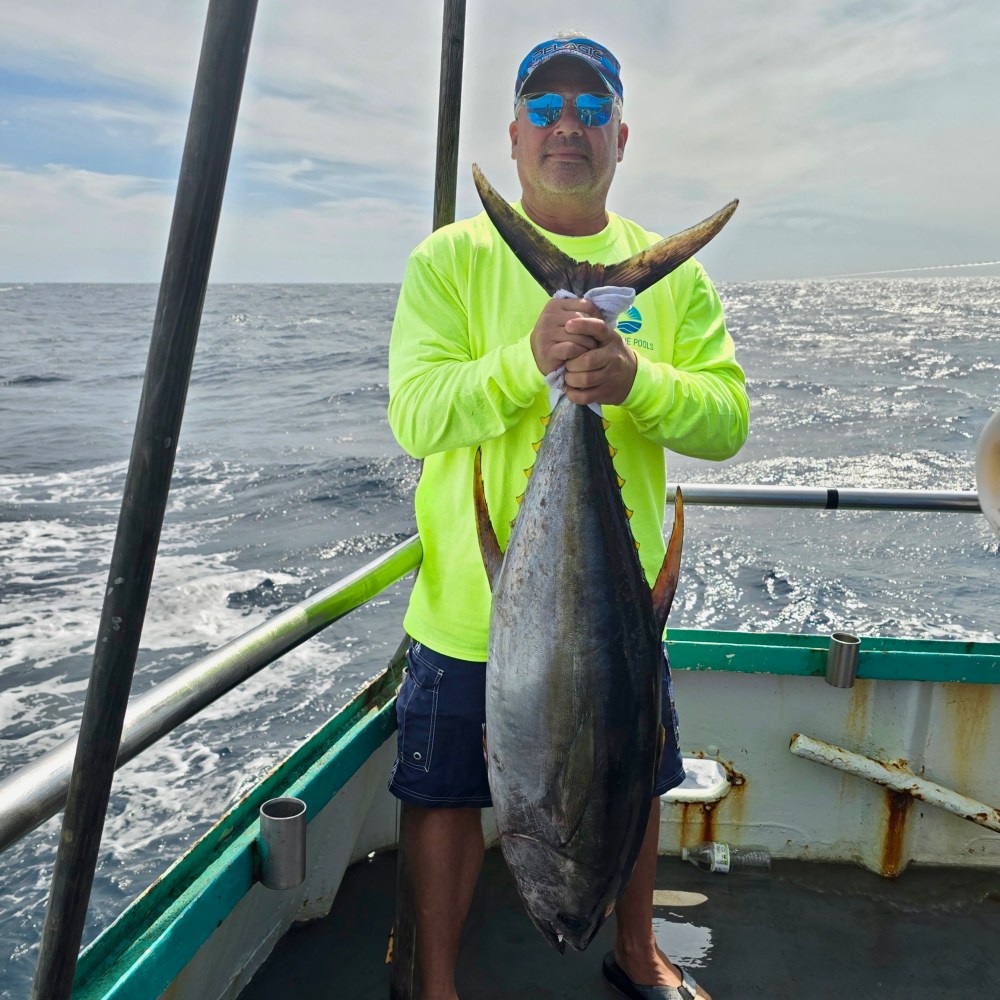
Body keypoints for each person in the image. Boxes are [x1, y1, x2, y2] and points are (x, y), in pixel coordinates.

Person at [386, 32, 749, 1000]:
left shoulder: (682, 283)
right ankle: (437, 987)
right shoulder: (448, 262)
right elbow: (414, 415)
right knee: (445, 797)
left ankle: (637, 952)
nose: (567, 128)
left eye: (590, 111)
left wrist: (635, 380)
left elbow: (726, 422)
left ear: (620, 136)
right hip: (469, 608)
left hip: (611, 613)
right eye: (545, 110)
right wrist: (526, 363)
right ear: (513, 135)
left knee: (630, 782)